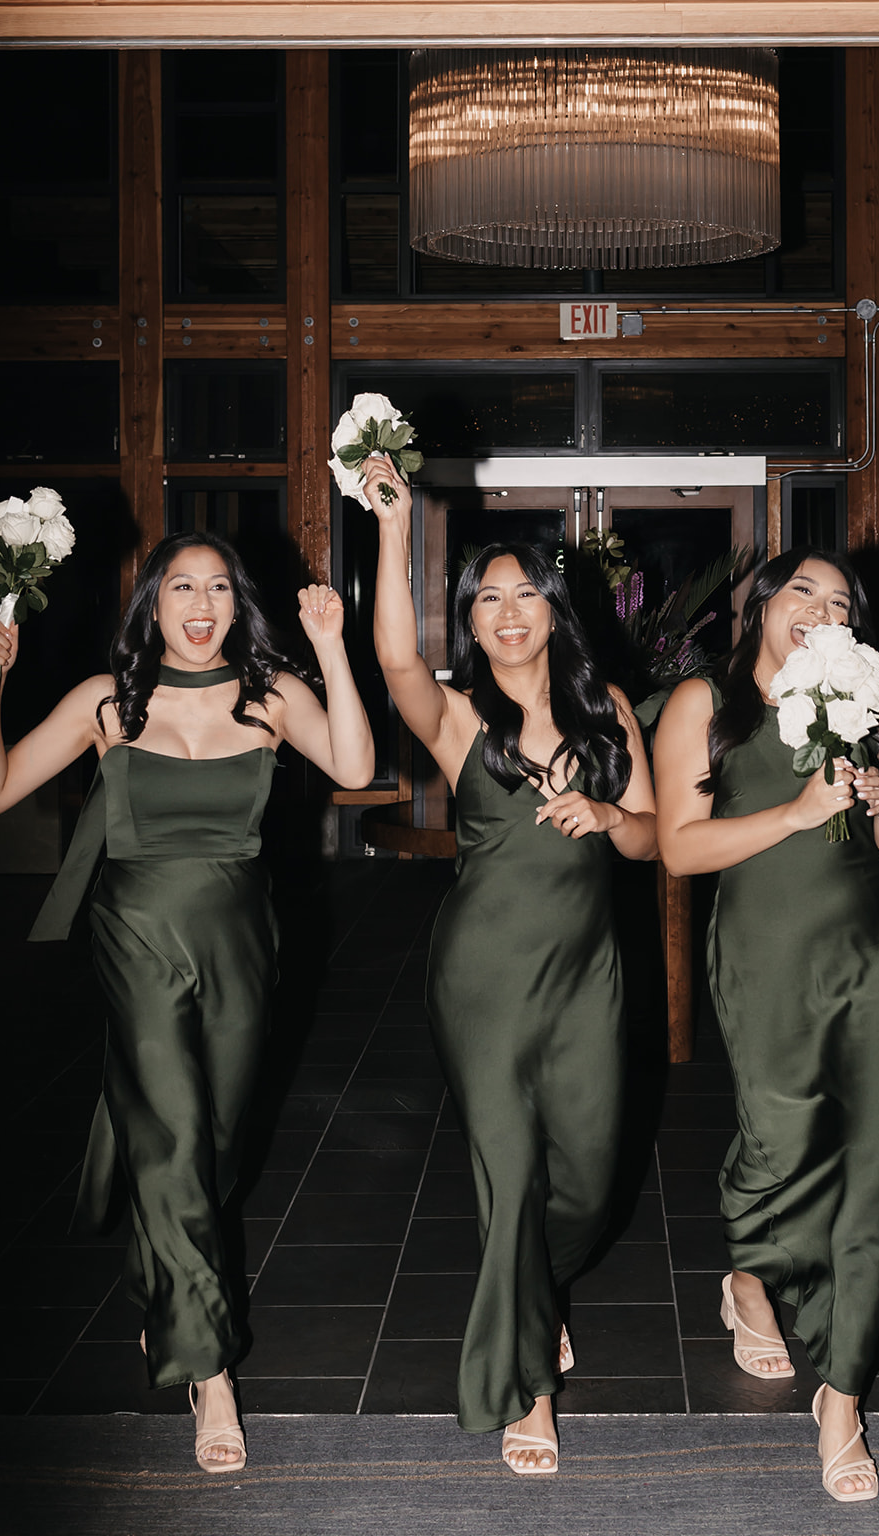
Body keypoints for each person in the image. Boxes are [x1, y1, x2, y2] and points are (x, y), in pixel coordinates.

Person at [0, 535, 374, 1472]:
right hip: (136, 932)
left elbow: (352, 767)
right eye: (182, 587)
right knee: (177, 1133)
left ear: (238, 604)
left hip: (241, 938)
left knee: (217, 1145)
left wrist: (332, 647)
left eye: (219, 588)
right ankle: (207, 1367)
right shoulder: (107, 701)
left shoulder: (271, 695)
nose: (202, 603)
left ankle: (164, 1285)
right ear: (153, 603)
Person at [365, 456, 657, 1476]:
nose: (505, 611)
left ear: (552, 608)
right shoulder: (456, 719)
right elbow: (396, 662)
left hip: (585, 977)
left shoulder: (608, 710)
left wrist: (612, 811)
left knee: (584, 1177)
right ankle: (527, 1382)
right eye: (485, 598)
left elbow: (652, 838)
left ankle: (539, 1286)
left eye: (523, 592)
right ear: (472, 620)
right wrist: (394, 526)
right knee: (509, 1170)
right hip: (482, 974)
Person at [653, 547, 879, 1504]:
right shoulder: (703, 705)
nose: (820, 607)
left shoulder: (853, 707)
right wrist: (800, 810)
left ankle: (841, 1396)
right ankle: (749, 1275)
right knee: (777, 1139)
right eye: (801, 590)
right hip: (768, 956)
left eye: (839, 599)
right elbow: (679, 851)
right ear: (761, 605)